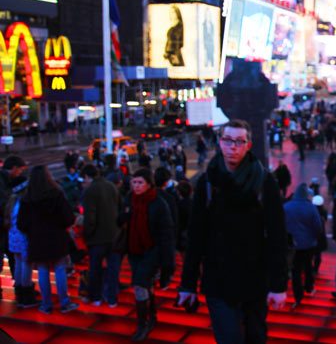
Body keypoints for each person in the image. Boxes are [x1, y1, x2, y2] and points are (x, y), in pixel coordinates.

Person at [178, 120, 287, 344]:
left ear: (248, 145)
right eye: (228, 140)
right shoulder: (207, 183)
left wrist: (278, 285)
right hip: (218, 279)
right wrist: (188, 284)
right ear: (220, 142)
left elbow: (276, 235)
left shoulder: (265, 182)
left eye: (239, 141)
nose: (233, 147)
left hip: (255, 279)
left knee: (255, 337)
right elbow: (196, 235)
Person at [121, 168, 175, 341]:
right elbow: (120, 220)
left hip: (152, 251)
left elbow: (166, 234)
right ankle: (152, 316)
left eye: (140, 183)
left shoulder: (159, 203)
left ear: (149, 184)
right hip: (134, 250)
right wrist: (123, 216)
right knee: (146, 285)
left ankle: (142, 324)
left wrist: (168, 263)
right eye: (134, 182)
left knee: (139, 285)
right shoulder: (129, 199)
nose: (136, 186)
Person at [18, 165, 79, 314]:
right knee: (60, 269)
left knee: (43, 271)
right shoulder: (56, 194)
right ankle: (64, 303)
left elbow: (21, 223)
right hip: (56, 237)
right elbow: (68, 218)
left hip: (37, 239)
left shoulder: (27, 198)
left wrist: (32, 231)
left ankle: (46, 304)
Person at [81, 164, 122, 307]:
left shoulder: (89, 191)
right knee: (113, 269)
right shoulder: (112, 186)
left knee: (95, 269)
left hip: (97, 238)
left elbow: (90, 217)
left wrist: (87, 234)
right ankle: (112, 298)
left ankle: (96, 297)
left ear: (87, 176)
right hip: (114, 236)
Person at [3, 157, 38, 308]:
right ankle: (26, 295)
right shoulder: (22, 203)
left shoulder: (10, 202)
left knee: (18, 264)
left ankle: (19, 291)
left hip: (13, 237)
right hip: (23, 237)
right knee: (26, 265)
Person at [284, 183, 323, 309]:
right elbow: (318, 226)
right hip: (309, 244)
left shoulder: (287, 207)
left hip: (293, 245)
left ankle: (298, 295)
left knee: (295, 271)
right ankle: (309, 286)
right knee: (308, 266)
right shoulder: (311, 208)